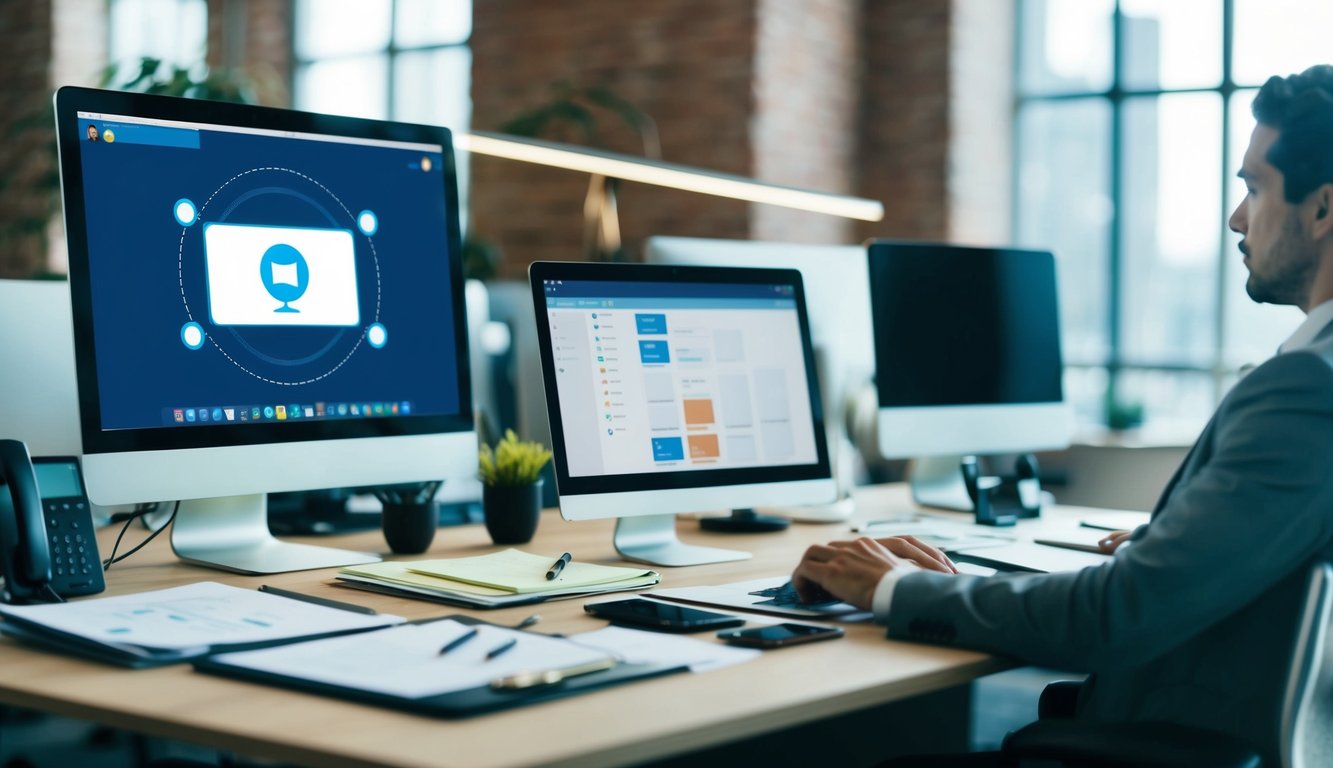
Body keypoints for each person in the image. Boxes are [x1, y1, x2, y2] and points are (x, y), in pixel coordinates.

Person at [793, 64, 1333, 765]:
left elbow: (1113, 618)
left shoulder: (1305, 390)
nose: (1236, 217)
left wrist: (891, 586)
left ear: (1322, 208)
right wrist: (1186, 542)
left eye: (1252, 187)